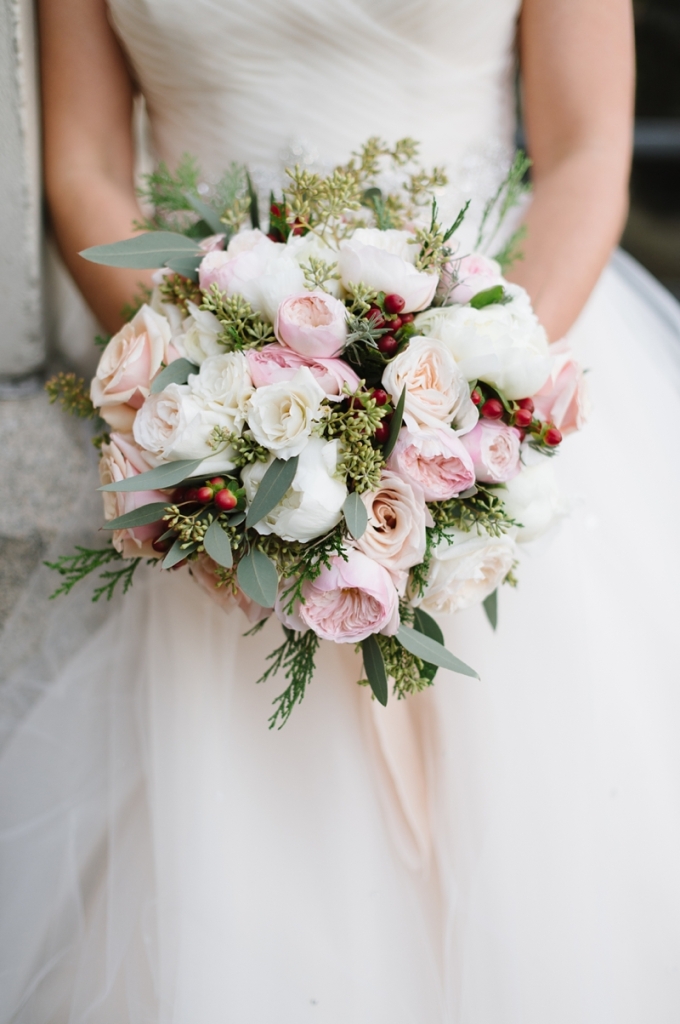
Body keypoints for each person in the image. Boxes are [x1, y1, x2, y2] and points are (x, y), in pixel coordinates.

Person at [2, 0, 680, 1020]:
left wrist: (468, 393)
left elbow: (586, 147)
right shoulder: (215, 401)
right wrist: (212, 394)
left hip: (503, 358)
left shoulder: (489, 382)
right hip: (221, 423)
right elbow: (85, 164)